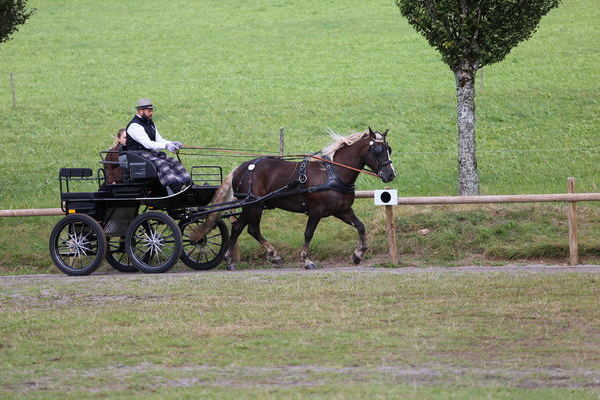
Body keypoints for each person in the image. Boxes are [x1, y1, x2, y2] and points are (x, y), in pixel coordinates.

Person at [125, 98, 191, 194]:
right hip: (137, 154)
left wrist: (171, 143)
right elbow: (147, 143)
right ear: (140, 111)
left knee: (173, 162)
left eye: (152, 110)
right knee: (162, 164)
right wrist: (166, 145)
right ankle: (176, 189)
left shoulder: (150, 123)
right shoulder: (134, 126)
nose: (151, 113)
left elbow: (159, 140)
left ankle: (188, 184)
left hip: (149, 152)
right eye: (149, 111)